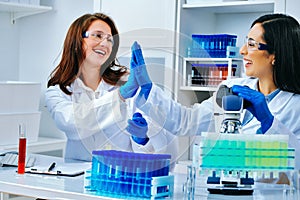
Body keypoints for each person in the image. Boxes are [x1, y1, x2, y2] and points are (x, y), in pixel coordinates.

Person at [126, 13, 300, 169]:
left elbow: (297, 163)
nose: (242, 50)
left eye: (252, 44)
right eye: (246, 42)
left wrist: (269, 122)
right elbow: (187, 121)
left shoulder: (295, 106)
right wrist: (149, 90)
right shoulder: (231, 88)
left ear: (275, 55)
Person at [45, 13, 178, 163]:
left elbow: (159, 143)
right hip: (77, 176)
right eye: (97, 35)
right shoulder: (57, 91)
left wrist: (143, 139)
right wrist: (119, 96)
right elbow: (71, 121)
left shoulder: (127, 83)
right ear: (76, 41)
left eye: (109, 39)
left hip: (119, 177)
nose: (105, 43)